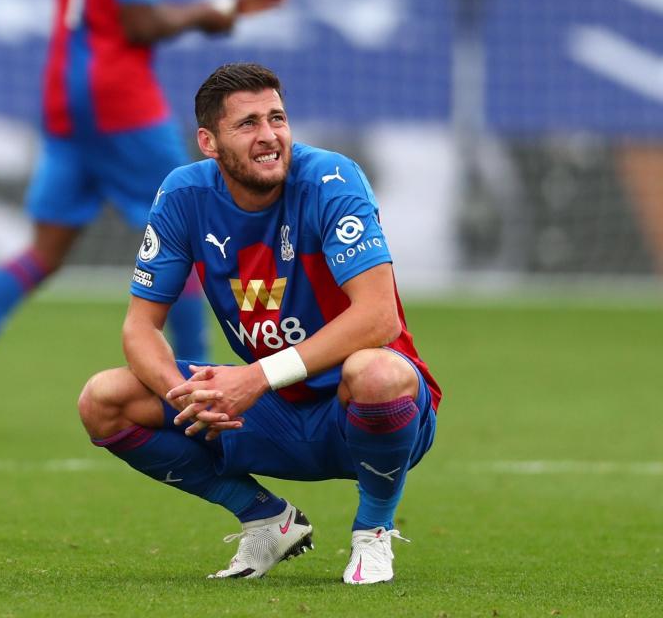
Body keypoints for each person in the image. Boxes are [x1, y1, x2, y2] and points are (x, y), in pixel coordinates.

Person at [0, 0, 288, 442]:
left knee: (44, 251)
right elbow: (138, 20)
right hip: (119, 98)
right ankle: (205, 394)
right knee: (196, 232)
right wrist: (214, 9)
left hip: (66, 92)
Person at [78, 63, 441, 583]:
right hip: (273, 409)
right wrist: (185, 395)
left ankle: (374, 533)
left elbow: (379, 317)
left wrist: (254, 377)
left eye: (277, 118)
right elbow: (140, 328)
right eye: (248, 124)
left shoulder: (331, 180)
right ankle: (267, 519)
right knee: (104, 398)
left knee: (377, 372)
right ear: (209, 141)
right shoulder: (183, 196)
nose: (270, 136)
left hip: (364, 405)